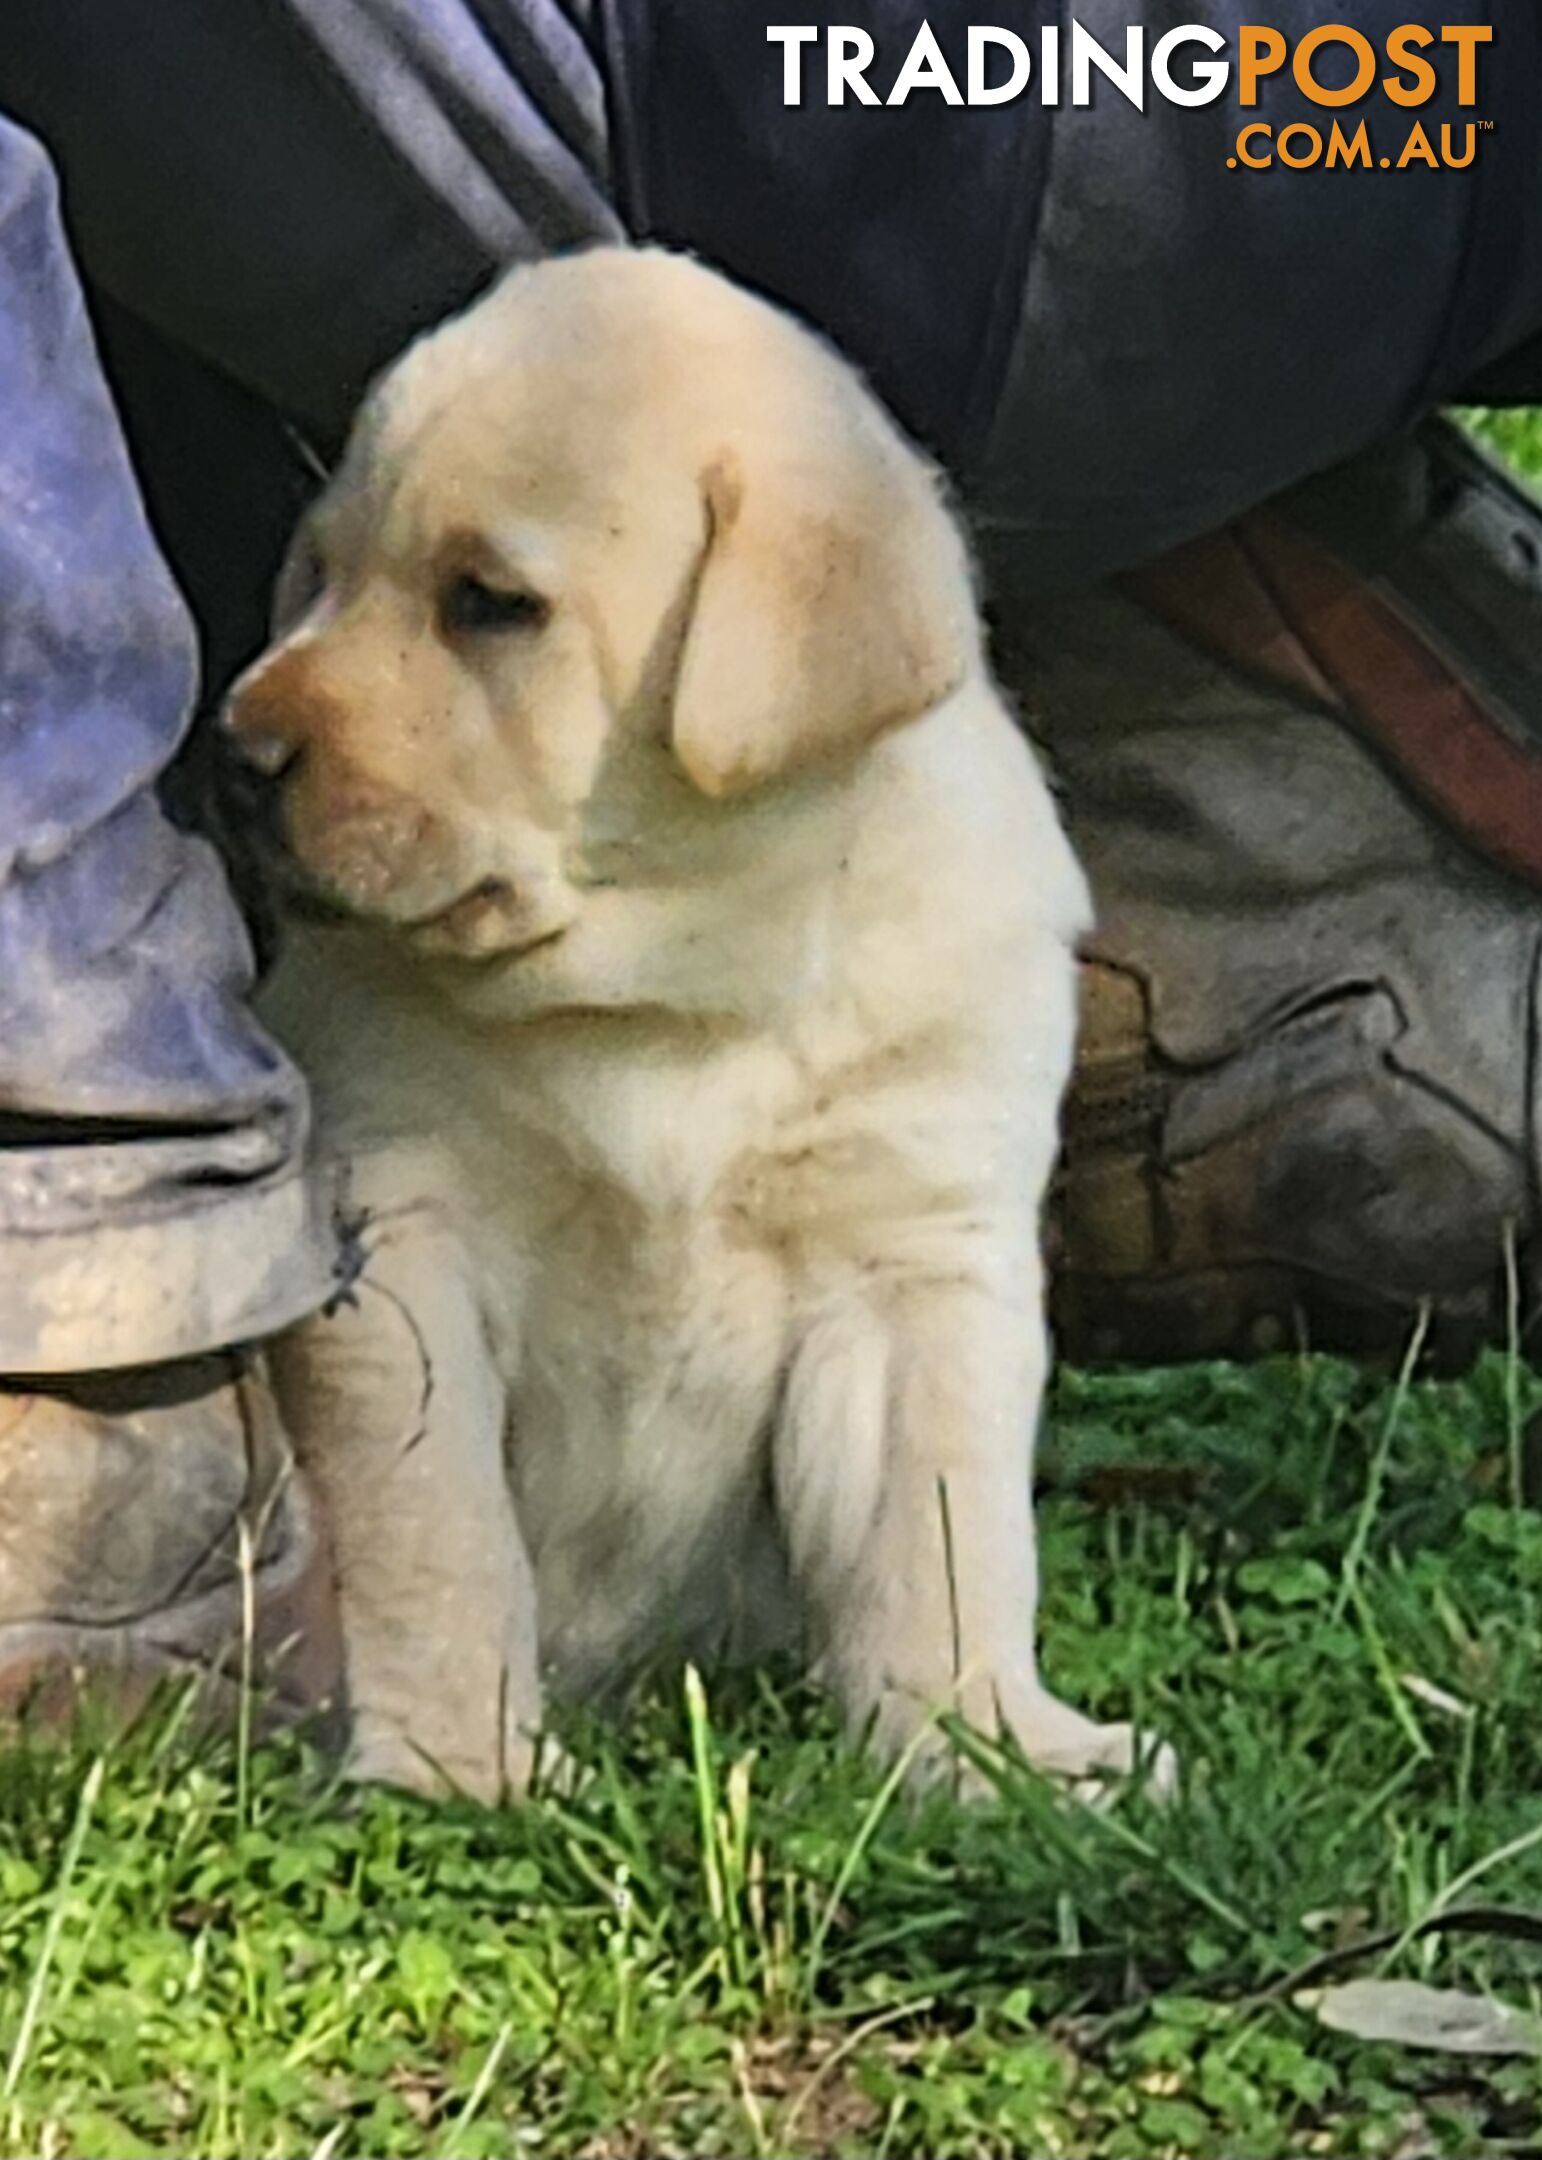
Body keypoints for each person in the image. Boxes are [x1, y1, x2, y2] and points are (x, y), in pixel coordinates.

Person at [2, 2, 1539, 1721]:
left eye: (485, 607)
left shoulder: (947, 908)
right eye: (325, 576)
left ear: (780, 657)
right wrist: (442, 1726)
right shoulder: (416, 953)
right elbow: (395, 1285)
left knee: (910, 1266)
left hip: (1073, 148)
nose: (284, 709)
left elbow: (912, 1317)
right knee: (402, 1229)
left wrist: (958, 1709)